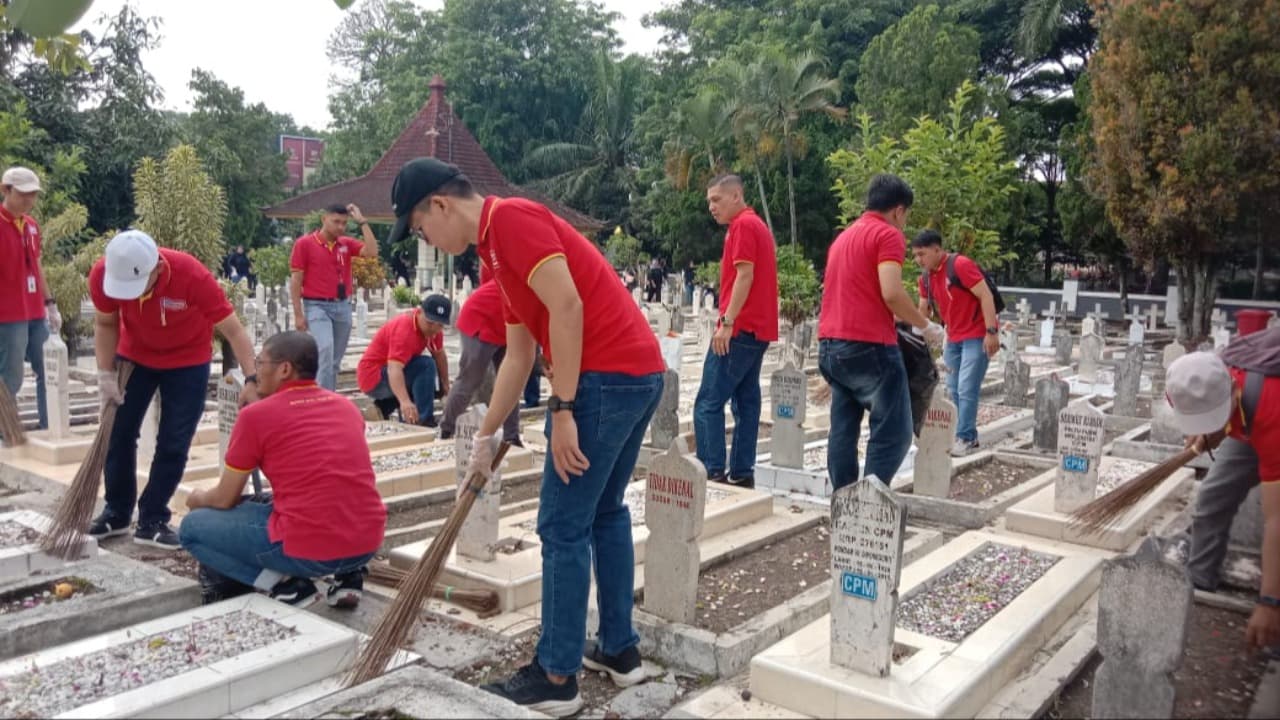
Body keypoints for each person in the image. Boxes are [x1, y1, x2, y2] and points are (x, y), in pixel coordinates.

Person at [388, 157, 664, 717]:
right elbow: (519, 353)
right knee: (605, 512)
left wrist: (562, 408)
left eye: (421, 229)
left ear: (440, 205)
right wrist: (485, 439)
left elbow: (567, 305)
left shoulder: (511, 220)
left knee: (561, 524)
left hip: (605, 381)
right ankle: (619, 650)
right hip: (637, 376)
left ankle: (557, 676)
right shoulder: (495, 252)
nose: (429, 240)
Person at [180, 331, 386, 608]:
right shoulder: (345, 407)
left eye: (260, 363)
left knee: (193, 528)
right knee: (289, 499)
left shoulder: (255, 417)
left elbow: (224, 498)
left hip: (310, 550)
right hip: (367, 541)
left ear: (284, 369)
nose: (256, 371)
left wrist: (196, 498)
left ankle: (287, 586)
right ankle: (348, 579)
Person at [87, 230, 259, 548]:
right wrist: (105, 375)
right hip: (134, 358)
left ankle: (152, 517)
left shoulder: (190, 274)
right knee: (119, 432)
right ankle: (117, 511)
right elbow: (106, 323)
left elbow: (234, 331)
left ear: (157, 268)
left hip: (187, 362)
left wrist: (252, 380)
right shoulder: (104, 273)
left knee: (174, 441)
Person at [817, 174, 944, 491]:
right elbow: (891, 292)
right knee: (895, 430)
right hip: (870, 346)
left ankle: (843, 498)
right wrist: (924, 325)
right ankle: (870, 500)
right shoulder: (887, 235)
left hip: (831, 346)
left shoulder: (843, 238)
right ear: (899, 211)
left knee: (843, 428)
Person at [1164, 352, 1279, 652]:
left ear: (1232, 393)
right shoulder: (1193, 377)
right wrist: (1209, 431)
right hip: (1245, 419)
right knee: (1213, 495)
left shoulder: (1270, 407)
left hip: (1271, 421)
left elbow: (1276, 518)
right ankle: (1199, 578)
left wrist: (1269, 601)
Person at [694, 175, 779, 489]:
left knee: (707, 401)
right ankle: (742, 472)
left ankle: (711, 471)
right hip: (758, 329)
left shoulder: (743, 226)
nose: (712, 207)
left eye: (716, 200)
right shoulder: (756, 225)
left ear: (736, 195)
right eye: (709, 202)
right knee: (745, 402)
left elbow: (745, 275)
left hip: (741, 328)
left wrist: (727, 323)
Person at [912, 230, 1000, 456]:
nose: (919, 260)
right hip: (953, 338)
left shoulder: (960, 265)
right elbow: (923, 310)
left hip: (976, 335)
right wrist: (916, 333)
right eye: (915, 255)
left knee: (967, 387)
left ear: (937, 249)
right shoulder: (926, 279)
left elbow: (986, 295)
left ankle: (966, 437)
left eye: (922, 254)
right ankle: (963, 432)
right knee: (953, 388)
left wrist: (992, 332)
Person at [290, 203, 378, 391]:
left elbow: (372, 252)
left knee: (334, 361)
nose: (340, 227)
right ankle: (321, 400)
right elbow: (296, 280)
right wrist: (298, 314)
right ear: (324, 219)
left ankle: (327, 395)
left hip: (342, 306)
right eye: (336, 222)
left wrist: (362, 222)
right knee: (325, 350)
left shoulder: (345, 244)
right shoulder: (304, 244)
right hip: (316, 306)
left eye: (344, 223)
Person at [0, 166, 60, 431]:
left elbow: (37, 266)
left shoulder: (32, 226)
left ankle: (50, 428)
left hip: (35, 312)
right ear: (6, 190)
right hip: (8, 315)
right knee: (10, 377)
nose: (29, 201)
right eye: (24, 194)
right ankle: (7, 434)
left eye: (33, 195)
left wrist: (50, 303)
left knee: (48, 369)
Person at [439, 279, 521, 443]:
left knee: (513, 381)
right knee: (470, 379)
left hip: (506, 327)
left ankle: (511, 436)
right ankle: (446, 429)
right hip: (480, 320)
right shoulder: (534, 279)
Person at [357, 294, 452, 427]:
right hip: (373, 376)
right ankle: (422, 420)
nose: (433, 328)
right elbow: (394, 368)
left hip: (390, 373)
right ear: (419, 312)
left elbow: (439, 355)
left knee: (432, 382)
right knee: (425, 366)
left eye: (440, 325)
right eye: (429, 322)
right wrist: (405, 401)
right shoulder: (405, 329)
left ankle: (382, 409)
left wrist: (446, 386)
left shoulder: (434, 331)